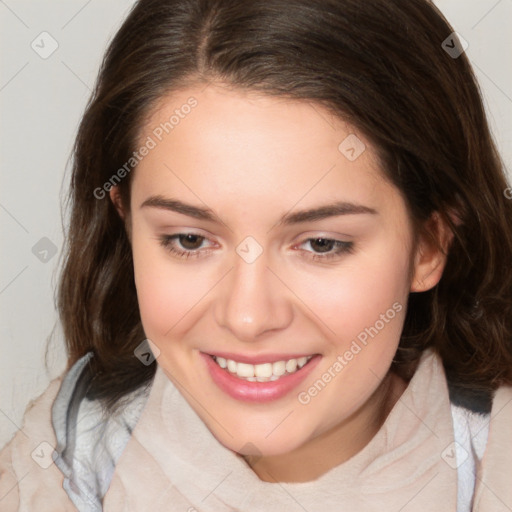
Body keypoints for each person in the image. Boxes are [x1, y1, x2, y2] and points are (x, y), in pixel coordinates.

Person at [1, 0, 511, 510]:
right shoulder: (60, 459)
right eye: (190, 240)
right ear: (128, 223)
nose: (247, 317)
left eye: (321, 244)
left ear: (429, 244)